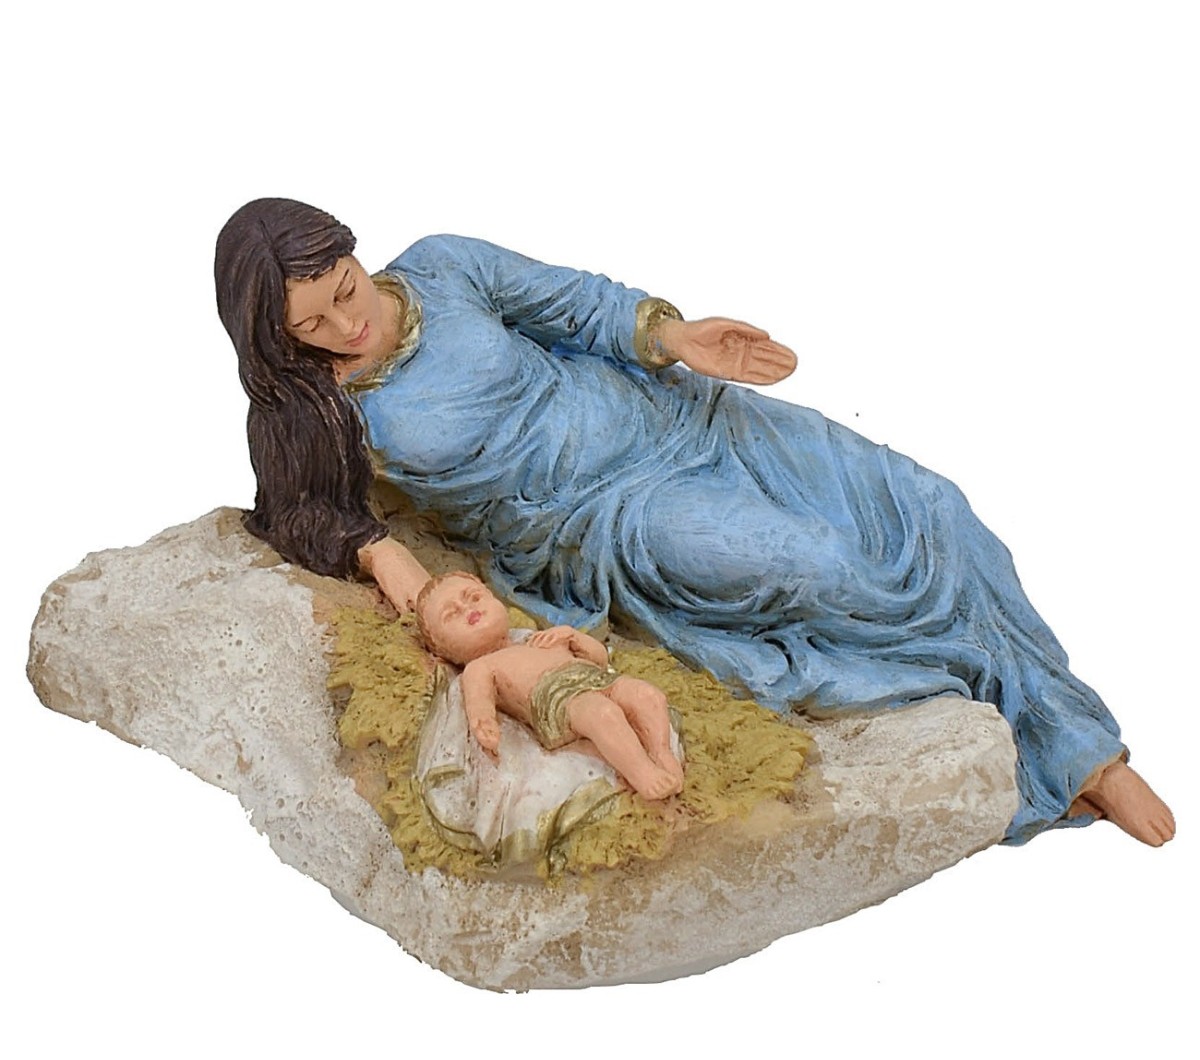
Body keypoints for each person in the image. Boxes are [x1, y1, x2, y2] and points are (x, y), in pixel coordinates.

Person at [214, 197, 1175, 848]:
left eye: (345, 290)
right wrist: (381, 554)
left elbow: (575, 306)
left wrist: (676, 338)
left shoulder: (443, 266)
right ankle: (1064, 755)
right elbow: (303, 513)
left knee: (929, 506)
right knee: (823, 570)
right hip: (611, 515)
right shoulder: (312, 410)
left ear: (353, 252)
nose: (346, 326)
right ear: (276, 338)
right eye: (312, 326)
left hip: (689, 419)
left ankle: (1077, 735)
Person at [415, 571, 684, 800]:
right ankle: (643, 773)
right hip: (556, 701)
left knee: (647, 695)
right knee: (604, 714)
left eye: (474, 597)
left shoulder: (534, 639)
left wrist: (573, 636)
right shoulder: (480, 666)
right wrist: (484, 724)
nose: (468, 609)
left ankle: (660, 752)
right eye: (452, 614)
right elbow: (479, 703)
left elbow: (600, 659)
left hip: (591, 677)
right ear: (441, 651)